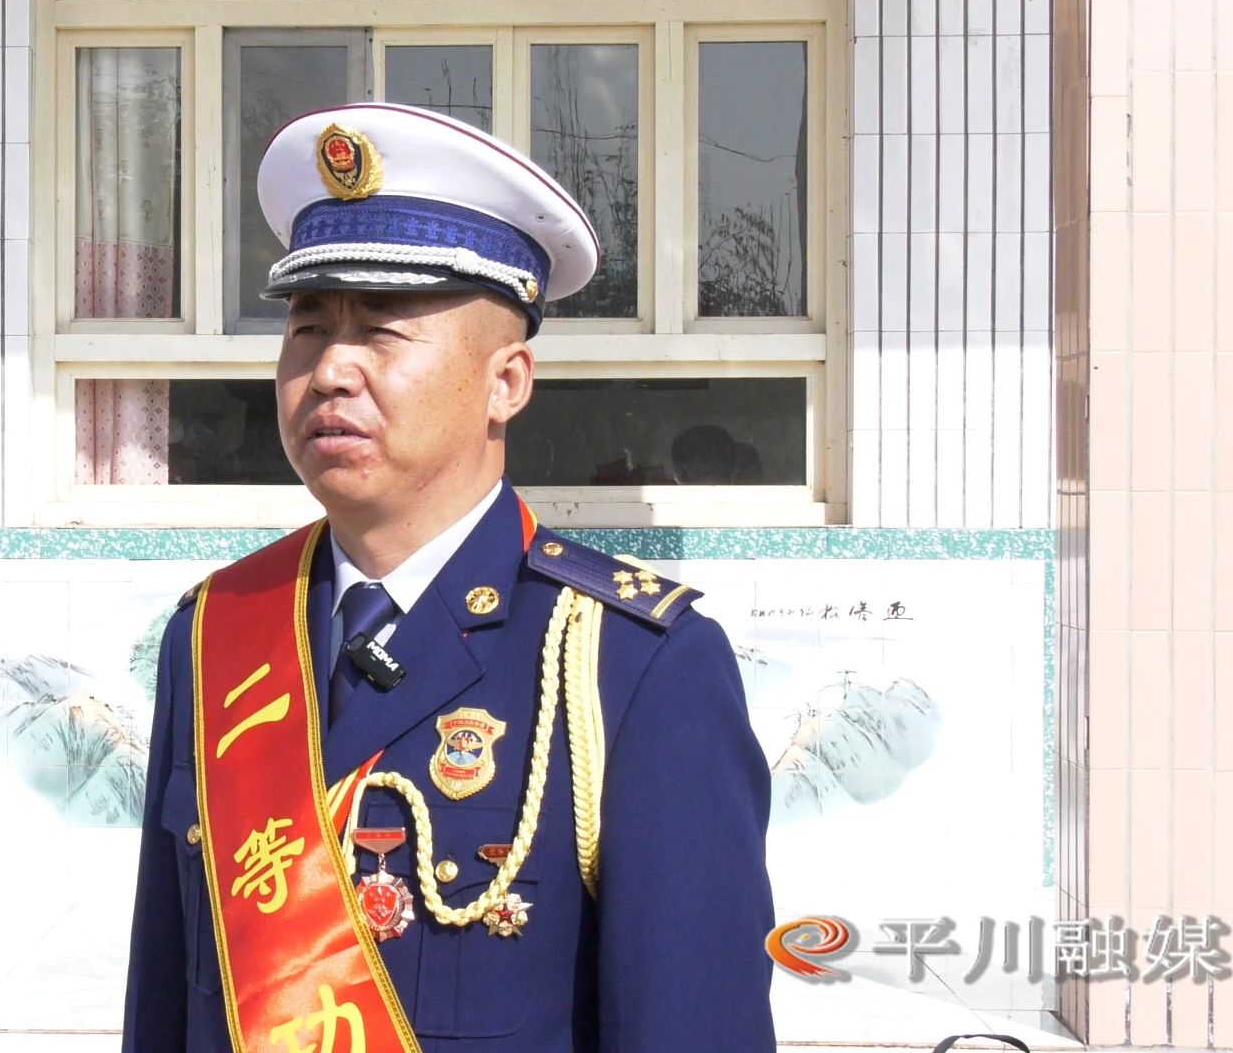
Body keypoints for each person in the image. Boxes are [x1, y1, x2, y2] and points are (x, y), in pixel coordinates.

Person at [121, 102, 776, 1052]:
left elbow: (690, 1025)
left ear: (506, 383)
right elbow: (165, 993)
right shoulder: (216, 631)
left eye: (382, 331)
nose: (330, 370)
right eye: (308, 328)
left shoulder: (630, 666)